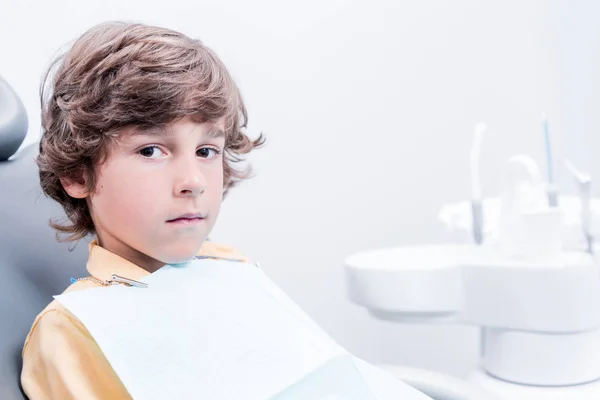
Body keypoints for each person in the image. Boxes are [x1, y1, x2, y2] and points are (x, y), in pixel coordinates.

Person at [21, 21, 264, 399]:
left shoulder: (231, 267)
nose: (193, 181)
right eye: (151, 150)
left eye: (206, 151)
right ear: (76, 174)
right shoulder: (75, 331)